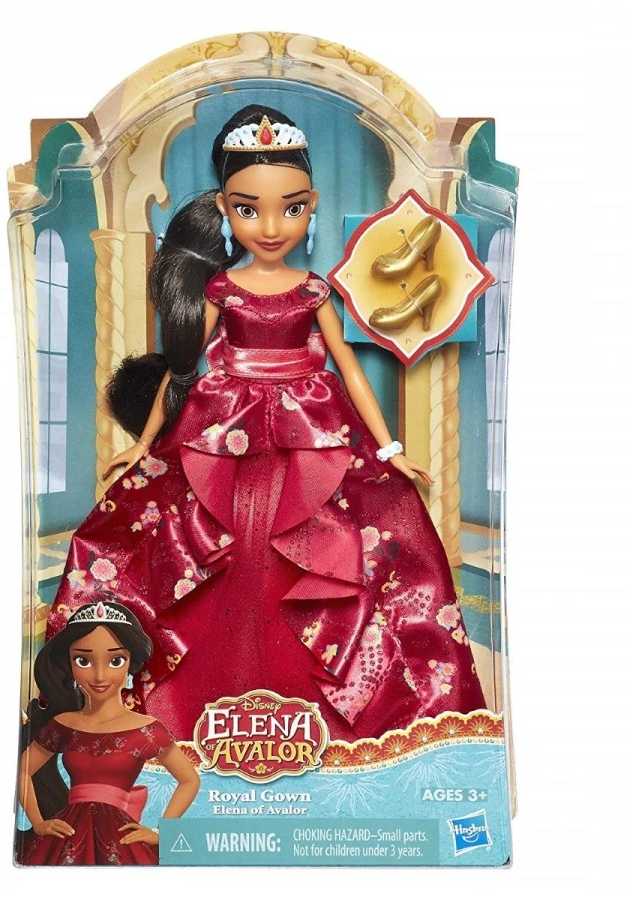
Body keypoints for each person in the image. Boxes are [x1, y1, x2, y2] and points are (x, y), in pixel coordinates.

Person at [45, 104, 487, 743]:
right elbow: (183, 367)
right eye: (249, 209)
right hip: (223, 426)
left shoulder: (313, 291)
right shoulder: (221, 291)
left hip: (311, 425)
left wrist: (389, 447)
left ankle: (335, 712)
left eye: (292, 207)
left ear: (312, 206)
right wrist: (143, 444)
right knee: (208, 543)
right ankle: (192, 706)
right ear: (225, 210)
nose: (272, 226)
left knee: (340, 542)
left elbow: (348, 368)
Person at [17, 598, 199, 865]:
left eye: (116, 660)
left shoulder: (146, 729)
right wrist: (39, 823)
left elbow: (190, 780)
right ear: (69, 665)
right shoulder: (64, 725)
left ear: (130, 664)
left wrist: (161, 832)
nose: (100, 676)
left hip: (120, 836)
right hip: (68, 833)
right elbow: (22, 770)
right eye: (83, 660)